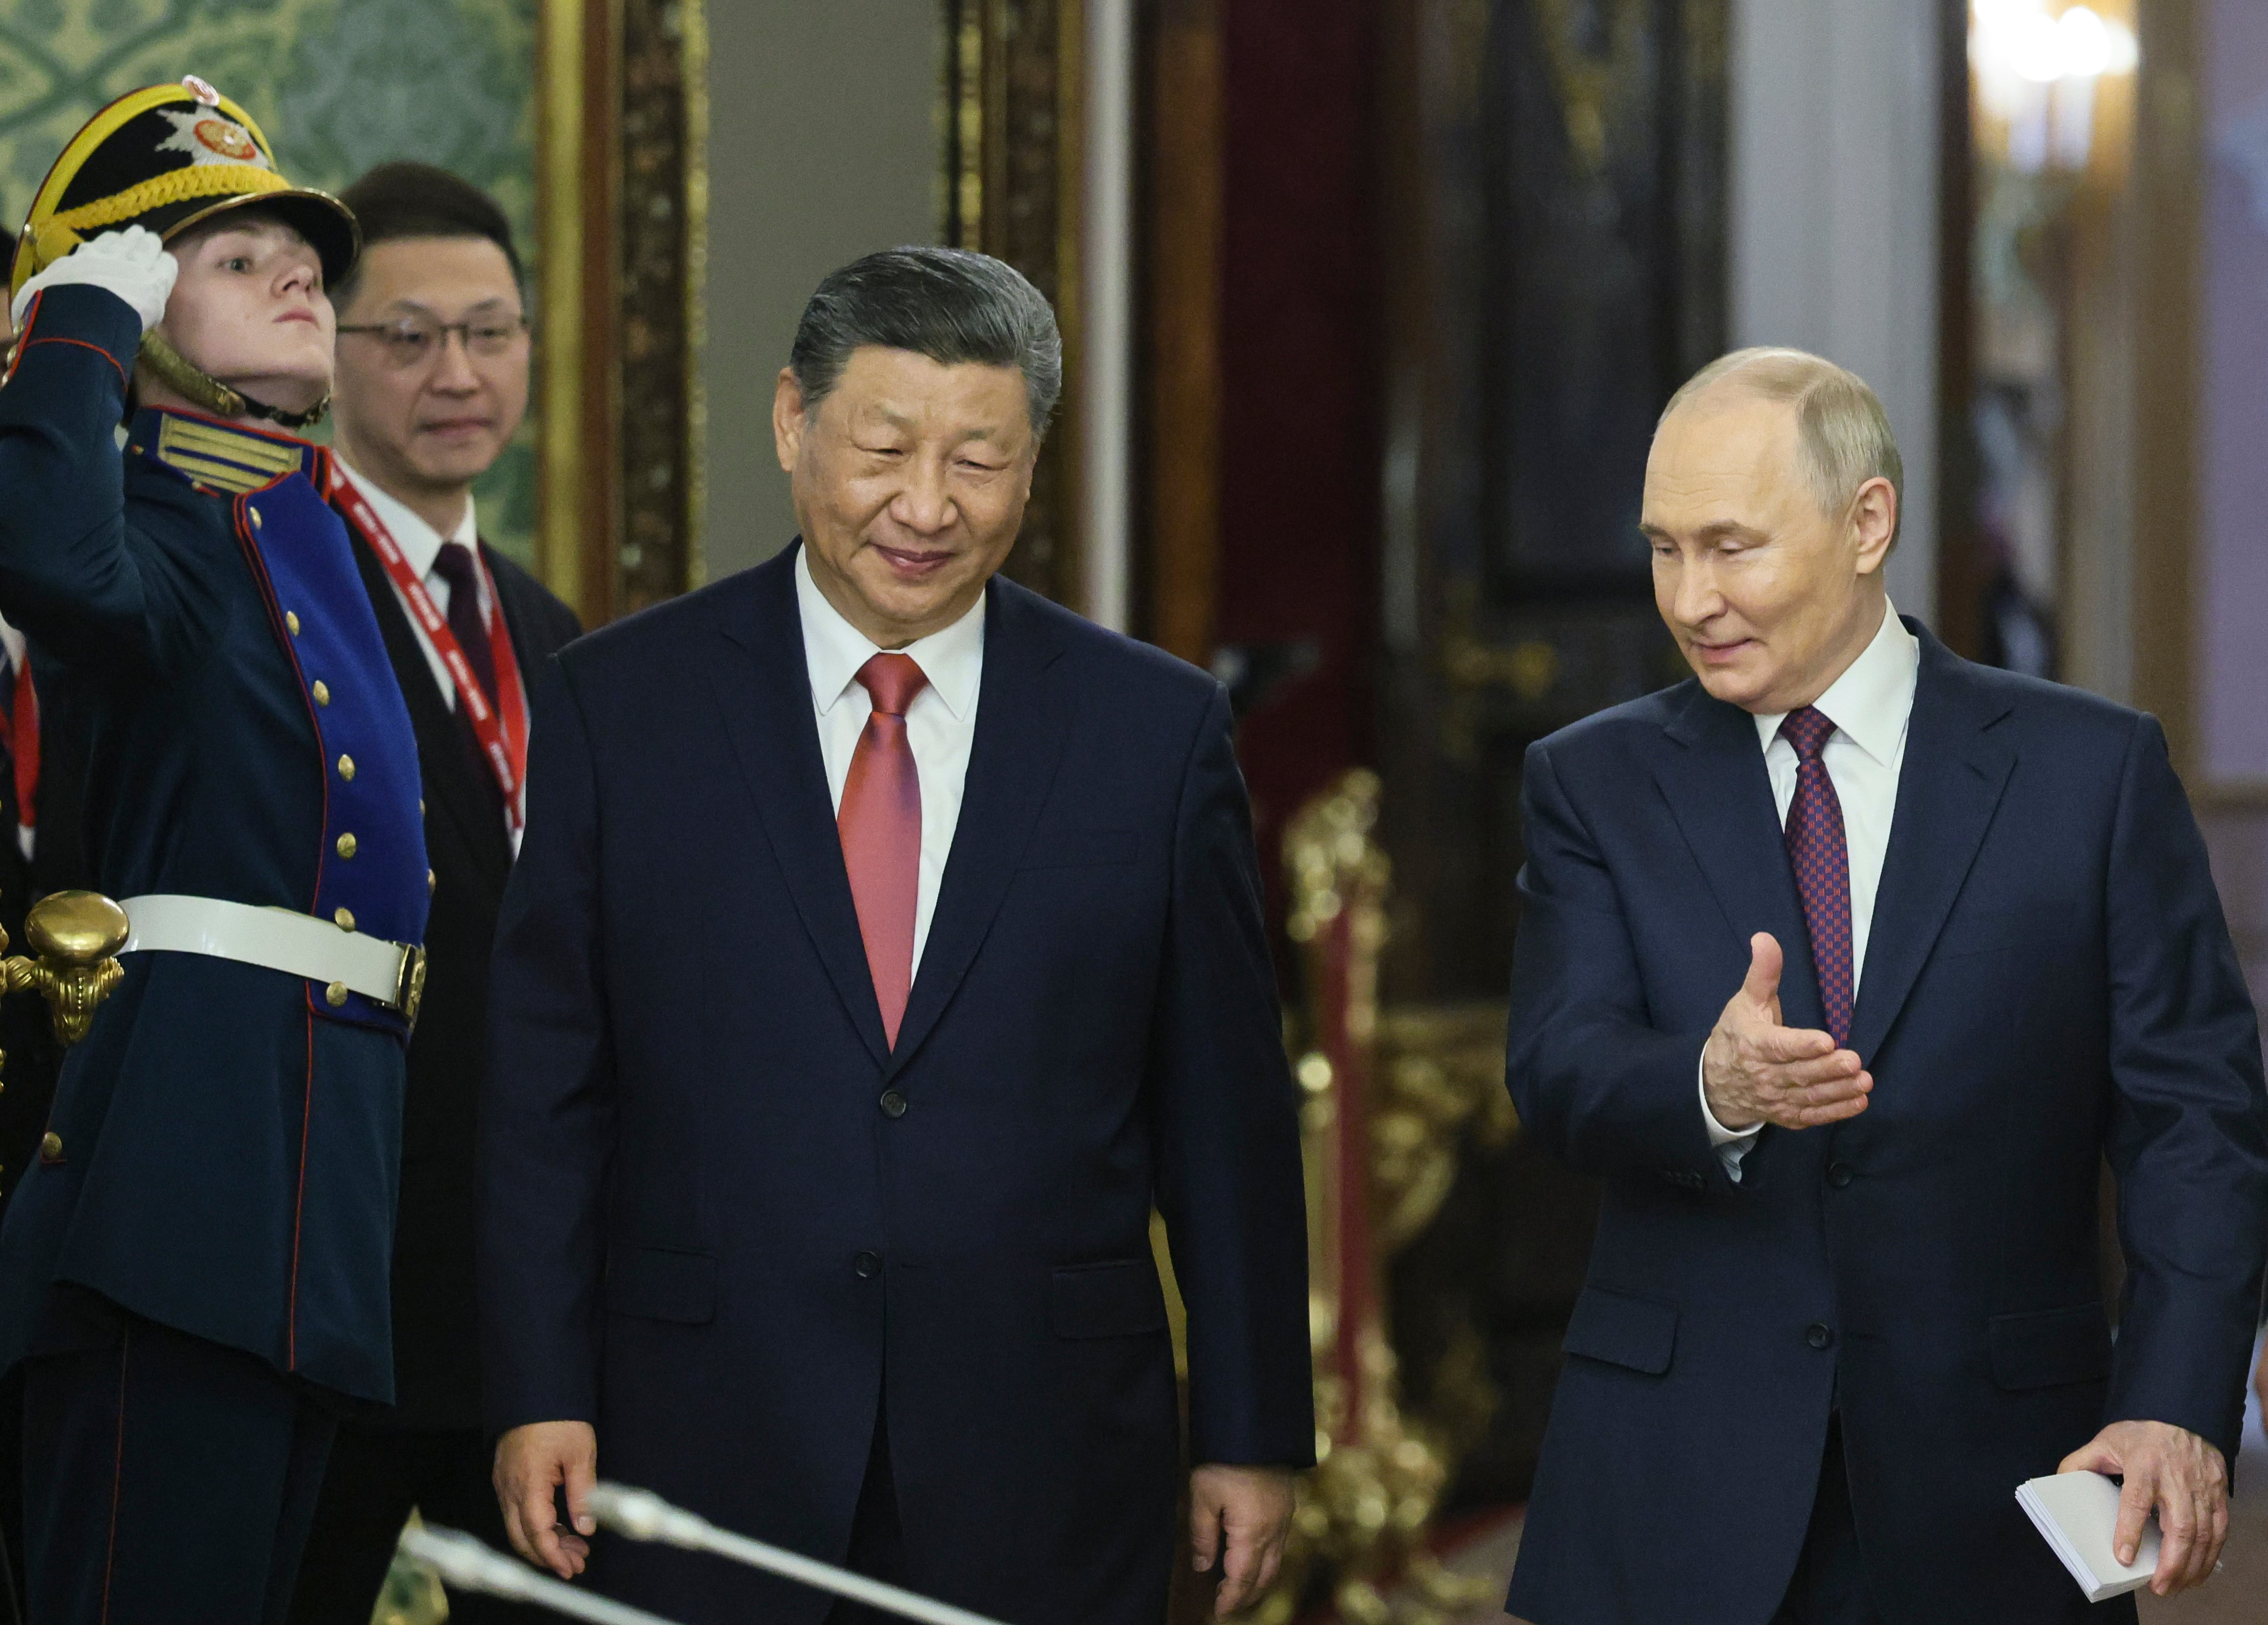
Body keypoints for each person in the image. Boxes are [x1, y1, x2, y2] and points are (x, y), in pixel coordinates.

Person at [481, 246, 1313, 1624]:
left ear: (1032, 462)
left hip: (1042, 1452)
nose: (924, 507)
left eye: (978, 460)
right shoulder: (619, 709)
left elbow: (1222, 1114)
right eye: (882, 448)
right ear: (792, 424)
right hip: (698, 1429)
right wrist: (535, 1389)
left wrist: (1246, 1424)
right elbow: (543, 1096)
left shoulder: (1151, 734)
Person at [1500, 348, 2268, 1624]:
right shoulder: (1591, 781)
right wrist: (1708, 1084)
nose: (1691, 599)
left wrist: (2176, 1401)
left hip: (1996, 1488)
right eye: (1662, 549)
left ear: (1868, 524)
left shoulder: (2089, 775)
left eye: (1731, 547)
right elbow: (1558, 1065)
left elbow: (2195, 1120)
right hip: (1674, 1488)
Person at [0, 80, 429, 1621]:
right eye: (233, 258)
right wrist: (72, 330)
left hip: (314, 1195)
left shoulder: (303, 526)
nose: (299, 271)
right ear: (139, 315)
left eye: (301, 252)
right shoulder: (148, 517)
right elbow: (44, 551)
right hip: (177, 1201)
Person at [287, 163, 578, 1625]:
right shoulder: (272, 596)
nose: (456, 372)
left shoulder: (545, 625)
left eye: (491, 329)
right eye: (405, 336)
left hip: (522, 1307)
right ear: (326, 353)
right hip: (328, 1282)